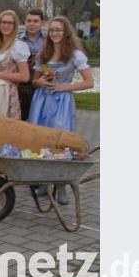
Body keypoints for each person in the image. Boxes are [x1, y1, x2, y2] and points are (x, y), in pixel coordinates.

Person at [28, 16, 94, 204]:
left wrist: (63, 87)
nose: (55, 33)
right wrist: (40, 82)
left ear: (66, 32)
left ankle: (61, 187)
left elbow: (89, 82)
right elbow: (34, 81)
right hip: (41, 101)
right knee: (41, 141)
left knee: (61, 143)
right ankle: (43, 183)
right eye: (52, 30)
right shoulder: (44, 53)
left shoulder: (75, 55)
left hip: (62, 102)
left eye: (59, 30)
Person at [18, 8, 46, 121]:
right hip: (21, 87)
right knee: (20, 121)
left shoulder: (48, 41)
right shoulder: (17, 40)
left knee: (38, 121)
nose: (32, 24)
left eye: (35, 21)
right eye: (29, 21)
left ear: (42, 22)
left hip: (41, 87)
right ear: (25, 22)